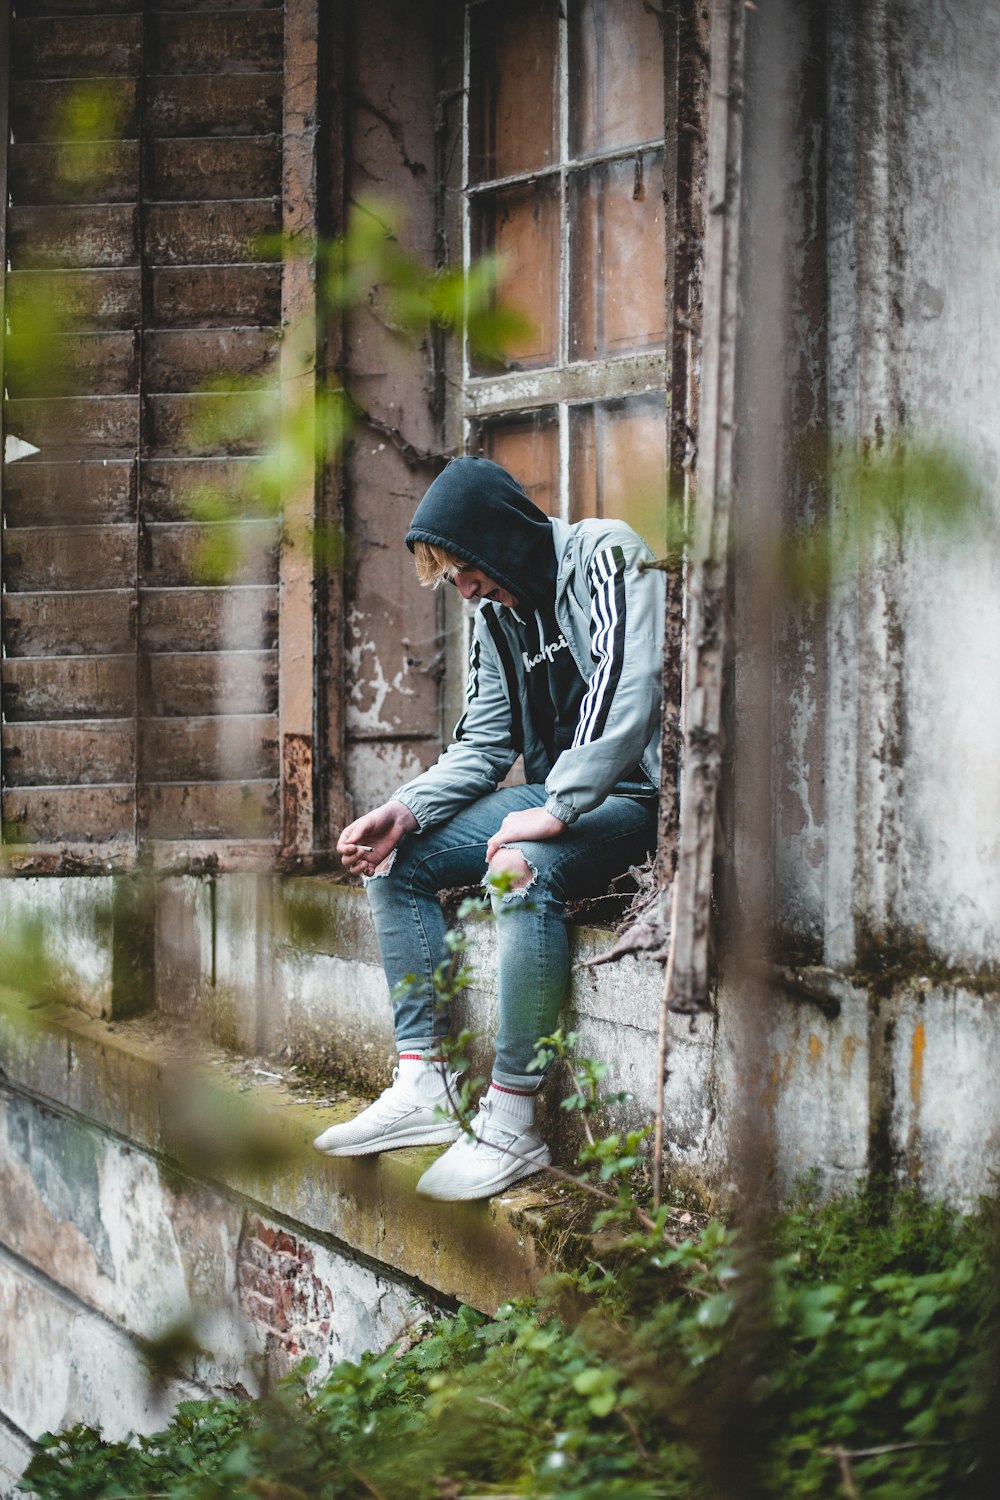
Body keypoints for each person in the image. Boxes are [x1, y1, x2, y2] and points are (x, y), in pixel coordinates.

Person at [314, 456, 665, 1200]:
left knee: (518, 870)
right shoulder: (496, 617)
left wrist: (559, 807)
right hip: (553, 797)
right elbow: (483, 742)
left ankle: (512, 1123)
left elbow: (626, 684)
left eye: (465, 567)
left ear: (502, 538)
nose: (463, 587)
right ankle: (426, 1084)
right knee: (394, 859)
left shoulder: (606, 554)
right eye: (451, 577)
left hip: (633, 796)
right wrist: (406, 808)